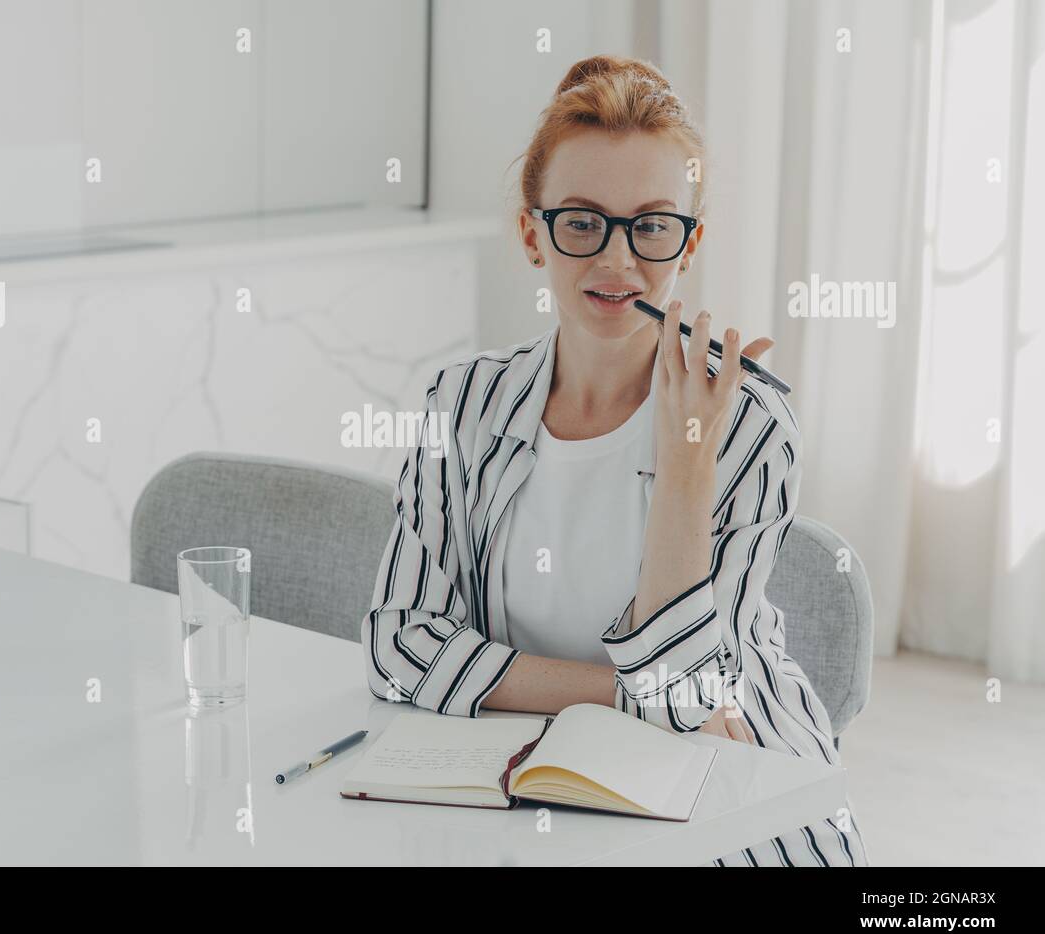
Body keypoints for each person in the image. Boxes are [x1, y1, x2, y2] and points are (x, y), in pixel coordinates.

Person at [362, 55, 867, 866]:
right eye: (583, 220)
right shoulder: (461, 404)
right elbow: (398, 645)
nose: (618, 261)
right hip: (539, 785)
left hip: (738, 804)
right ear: (533, 233)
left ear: (689, 243)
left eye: (653, 224)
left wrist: (688, 470)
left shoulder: (749, 422)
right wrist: (612, 693)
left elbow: (693, 703)